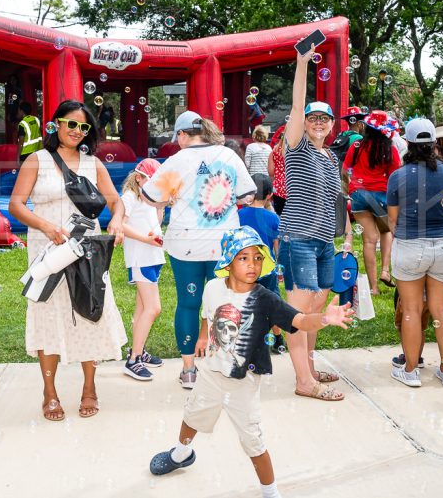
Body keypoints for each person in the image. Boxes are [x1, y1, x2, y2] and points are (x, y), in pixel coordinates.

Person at [148, 227, 355, 498]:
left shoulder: (265, 299)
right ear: (228, 261)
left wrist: (325, 318)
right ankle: (182, 452)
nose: (252, 264)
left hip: (242, 383)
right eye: (243, 257)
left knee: (253, 442)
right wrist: (201, 336)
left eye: (257, 258)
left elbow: (301, 321)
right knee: (192, 415)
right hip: (210, 373)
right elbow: (206, 314)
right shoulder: (212, 287)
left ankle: (270, 492)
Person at [8, 100, 128, 421]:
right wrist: (45, 226)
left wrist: (116, 220)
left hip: (88, 250)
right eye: (71, 124)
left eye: (83, 127)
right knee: (48, 316)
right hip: (47, 250)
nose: (76, 131)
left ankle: (90, 388)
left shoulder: (93, 164)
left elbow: (117, 202)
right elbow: (16, 205)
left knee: (90, 312)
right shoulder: (37, 160)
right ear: (56, 124)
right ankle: (50, 393)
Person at [141, 110, 255, 390]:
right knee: (225, 305)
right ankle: (225, 363)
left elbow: (150, 196)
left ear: (182, 134)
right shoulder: (228, 156)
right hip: (223, 244)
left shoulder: (176, 161)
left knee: (188, 304)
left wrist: (170, 199)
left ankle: (189, 370)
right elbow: (249, 195)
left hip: (185, 244)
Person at [276, 39, 352, 402]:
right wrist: (303, 62)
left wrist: (346, 238)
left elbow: (337, 202)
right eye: (312, 118)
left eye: (324, 118)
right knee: (299, 311)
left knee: (318, 307)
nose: (318, 122)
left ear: (332, 125)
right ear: (304, 124)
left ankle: (307, 363)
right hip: (299, 239)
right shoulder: (298, 147)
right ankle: (304, 382)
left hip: (324, 242)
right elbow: (295, 103)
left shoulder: (330, 159)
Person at [386, 118, 443, 388]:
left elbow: (392, 220)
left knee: (411, 310)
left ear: (407, 142)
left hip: (410, 245)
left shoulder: (398, 175)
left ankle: (410, 371)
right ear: (434, 143)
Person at [343, 110, 402, 293]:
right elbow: (396, 176)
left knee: (369, 240)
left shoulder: (357, 144)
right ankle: (385, 271)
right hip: (382, 195)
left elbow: (345, 171)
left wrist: (350, 188)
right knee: (386, 232)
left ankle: (373, 287)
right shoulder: (389, 148)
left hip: (359, 195)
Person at [119, 158, 166, 381]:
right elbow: (120, 224)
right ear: (139, 178)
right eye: (151, 180)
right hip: (141, 258)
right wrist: (145, 240)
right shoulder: (130, 197)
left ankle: (138, 351)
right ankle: (133, 360)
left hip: (152, 257)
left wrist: (161, 205)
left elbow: (155, 224)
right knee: (153, 308)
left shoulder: (150, 198)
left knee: (141, 310)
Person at [239, 173, 285, 353]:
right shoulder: (273, 218)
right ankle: (278, 339)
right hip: (267, 269)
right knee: (272, 303)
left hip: (244, 269)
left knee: (244, 304)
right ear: (269, 195)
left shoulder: (238, 215)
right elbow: (277, 248)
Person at [266, 124, 288, 216]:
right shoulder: (298, 151)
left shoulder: (275, 151)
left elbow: (271, 172)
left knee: (279, 216)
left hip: (278, 189)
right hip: (294, 188)